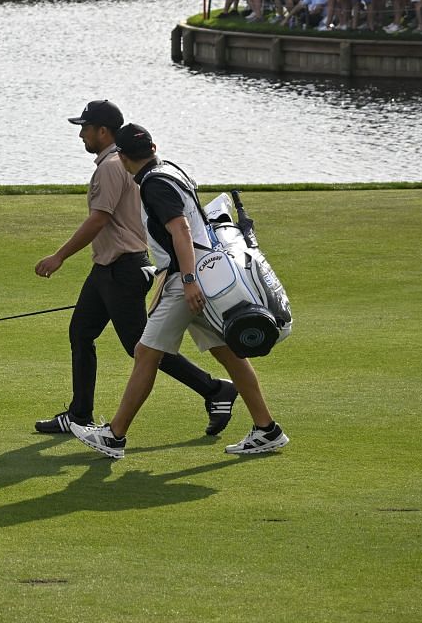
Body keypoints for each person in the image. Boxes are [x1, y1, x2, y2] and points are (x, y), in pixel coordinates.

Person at [70, 124, 288, 460]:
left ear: (125, 158)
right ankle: (267, 430)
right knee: (228, 353)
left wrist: (187, 281)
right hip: (205, 275)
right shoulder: (169, 169)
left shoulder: (154, 184)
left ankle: (114, 436)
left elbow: (180, 229)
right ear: (153, 147)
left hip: (189, 279)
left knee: (145, 352)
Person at [33, 101, 235, 437]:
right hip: (107, 268)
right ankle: (79, 414)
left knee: (143, 348)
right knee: (82, 332)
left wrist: (59, 256)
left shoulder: (112, 166)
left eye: (85, 127)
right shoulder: (120, 162)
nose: (81, 134)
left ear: (103, 131)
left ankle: (214, 389)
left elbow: (100, 218)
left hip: (122, 268)